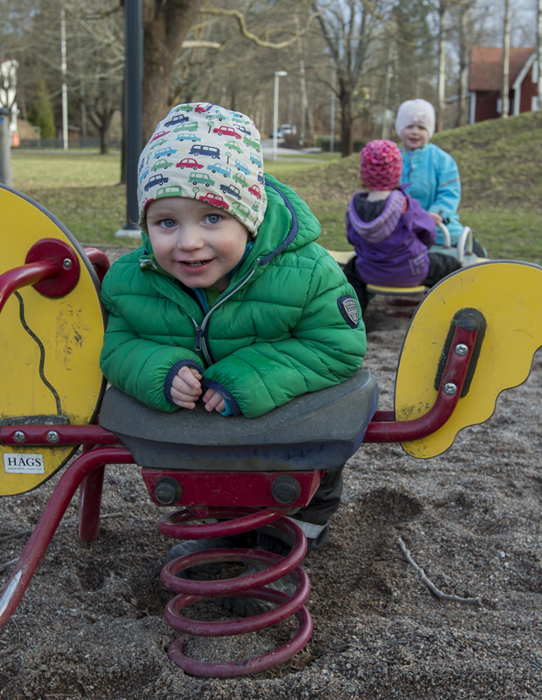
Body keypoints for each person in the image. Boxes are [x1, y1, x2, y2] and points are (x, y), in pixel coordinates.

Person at [99, 103, 367, 580]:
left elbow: (338, 348)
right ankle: (223, 527)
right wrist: (161, 369)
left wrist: (247, 377)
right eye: (166, 222)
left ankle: (296, 526)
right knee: (211, 490)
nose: (188, 242)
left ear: (250, 216)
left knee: (304, 483)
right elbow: (117, 347)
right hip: (203, 449)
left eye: (211, 219)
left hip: (289, 437)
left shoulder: (305, 271)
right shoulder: (131, 278)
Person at [341, 139, 462, 312]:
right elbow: (429, 233)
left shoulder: (355, 207)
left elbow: (352, 238)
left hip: (369, 272)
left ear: (363, 175)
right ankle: (443, 311)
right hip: (411, 271)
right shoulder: (407, 205)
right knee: (451, 266)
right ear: (397, 173)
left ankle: (356, 317)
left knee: (351, 270)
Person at [395, 98, 464, 249]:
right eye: (410, 126)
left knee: (466, 254)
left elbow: (449, 192)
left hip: (439, 230)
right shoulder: (393, 159)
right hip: (401, 230)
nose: (415, 132)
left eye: (421, 128)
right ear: (400, 128)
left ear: (429, 131)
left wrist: (436, 213)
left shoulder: (442, 160)